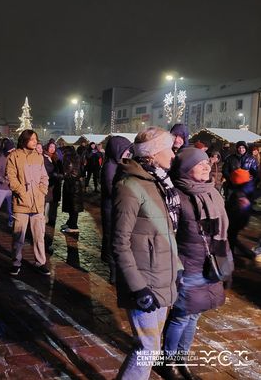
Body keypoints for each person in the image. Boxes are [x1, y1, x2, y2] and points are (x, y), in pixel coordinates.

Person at [112, 127, 181, 380]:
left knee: (151, 347)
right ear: (152, 154)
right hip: (144, 281)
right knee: (147, 349)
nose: (173, 155)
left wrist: (178, 268)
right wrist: (137, 287)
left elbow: (166, 233)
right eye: (168, 149)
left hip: (162, 275)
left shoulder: (160, 183)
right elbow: (119, 242)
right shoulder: (130, 185)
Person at [160, 147, 231, 380]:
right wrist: (175, 268)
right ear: (185, 168)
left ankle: (182, 358)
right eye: (199, 164)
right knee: (182, 315)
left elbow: (221, 233)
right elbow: (169, 235)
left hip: (209, 263)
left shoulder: (212, 192)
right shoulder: (176, 196)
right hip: (187, 264)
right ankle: (168, 361)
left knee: (195, 315)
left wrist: (225, 263)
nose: (206, 166)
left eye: (207, 163)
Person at [7, 129, 50, 276]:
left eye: (36, 139)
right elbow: (11, 178)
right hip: (21, 204)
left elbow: (44, 177)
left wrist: (42, 191)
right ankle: (15, 262)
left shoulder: (39, 157)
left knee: (39, 236)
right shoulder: (14, 156)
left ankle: (40, 262)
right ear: (24, 140)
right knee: (18, 236)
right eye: (32, 139)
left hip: (37, 203)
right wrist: (22, 192)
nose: (35, 142)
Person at [100, 135, 132, 284]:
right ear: (117, 150)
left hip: (115, 207)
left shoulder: (118, 164)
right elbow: (111, 190)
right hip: (111, 209)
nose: (128, 153)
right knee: (113, 238)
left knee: (116, 237)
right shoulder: (110, 167)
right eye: (125, 150)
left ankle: (116, 269)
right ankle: (113, 271)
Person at [60, 146, 85, 233]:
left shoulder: (68, 158)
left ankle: (73, 226)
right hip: (75, 185)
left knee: (73, 207)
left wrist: (60, 175)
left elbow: (67, 172)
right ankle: (70, 222)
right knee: (73, 206)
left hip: (72, 185)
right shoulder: (76, 157)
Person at [43, 141, 63, 226]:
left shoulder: (57, 159)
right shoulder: (43, 157)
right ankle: (45, 218)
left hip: (56, 184)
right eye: (50, 147)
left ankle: (52, 220)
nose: (52, 149)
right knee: (46, 201)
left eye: (54, 147)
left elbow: (61, 171)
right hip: (47, 183)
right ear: (47, 147)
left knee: (54, 203)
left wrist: (60, 175)